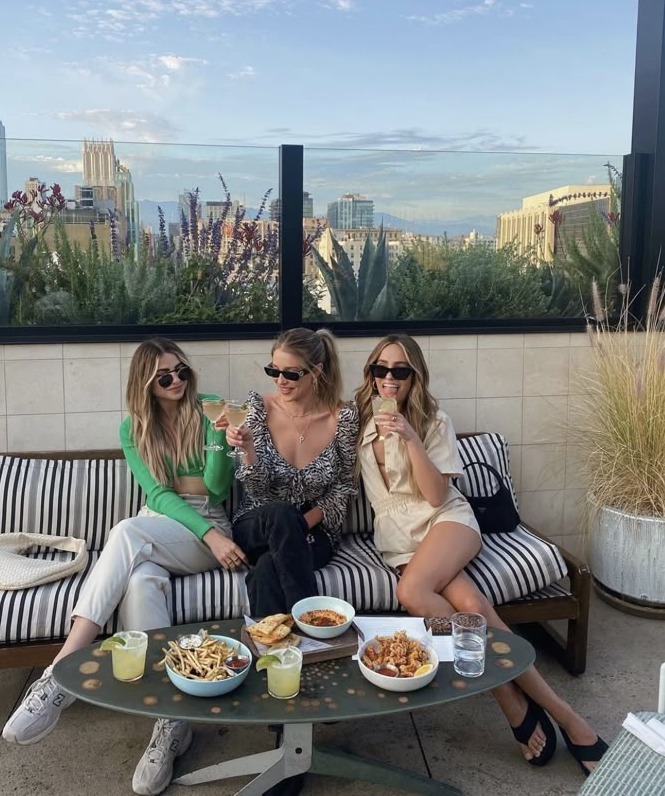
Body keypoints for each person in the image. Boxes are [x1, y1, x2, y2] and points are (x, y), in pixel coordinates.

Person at [354, 333, 608, 776]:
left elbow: (436, 496)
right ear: (370, 373)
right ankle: (537, 705)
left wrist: (411, 437)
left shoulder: (434, 421)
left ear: (415, 376)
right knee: (472, 605)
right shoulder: (356, 419)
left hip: (446, 521)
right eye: (380, 369)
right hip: (398, 538)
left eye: (400, 371)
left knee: (413, 591)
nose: (389, 379)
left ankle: (536, 707)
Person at [2, 337, 245, 796]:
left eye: (182, 371)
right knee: (139, 579)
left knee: (126, 533)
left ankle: (60, 673)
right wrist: (185, 513)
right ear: (146, 386)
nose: (177, 381)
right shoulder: (132, 429)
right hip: (159, 529)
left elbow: (214, 489)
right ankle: (171, 724)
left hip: (205, 527)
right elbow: (156, 497)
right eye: (165, 377)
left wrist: (219, 444)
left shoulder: (212, 407)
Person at [225, 327, 359, 616]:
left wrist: (300, 526)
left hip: (315, 532)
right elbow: (258, 492)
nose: (281, 381)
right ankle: (312, 624)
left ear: (317, 371)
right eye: (274, 371)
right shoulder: (259, 407)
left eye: (292, 374)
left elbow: (344, 486)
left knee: (267, 568)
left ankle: (270, 648)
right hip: (256, 523)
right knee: (282, 513)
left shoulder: (343, 417)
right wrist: (248, 450)